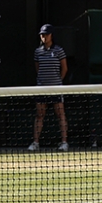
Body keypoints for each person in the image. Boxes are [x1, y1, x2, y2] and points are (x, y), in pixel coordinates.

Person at [28, 23, 68, 152]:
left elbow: (64, 68)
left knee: (60, 114)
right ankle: (35, 143)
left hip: (56, 88)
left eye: (45, 34)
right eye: (41, 35)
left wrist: (57, 82)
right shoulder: (37, 52)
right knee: (39, 115)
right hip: (41, 89)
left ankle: (64, 142)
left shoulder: (59, 50)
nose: (43, 37)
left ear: (51, 35)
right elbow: (37, 68)